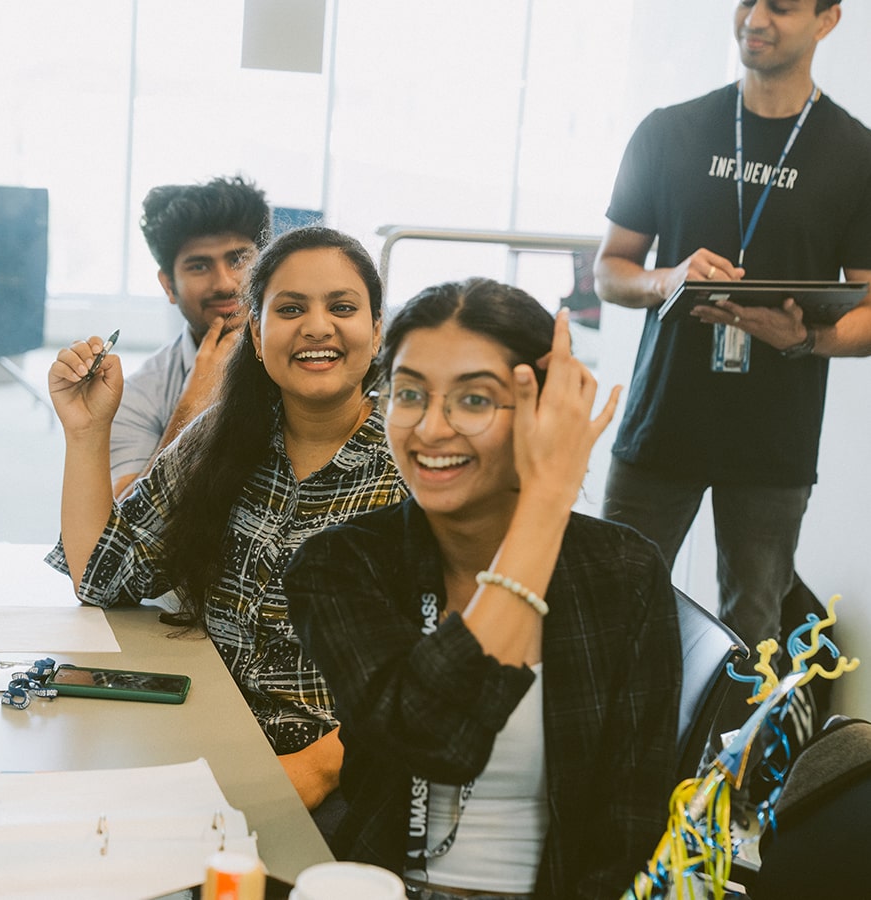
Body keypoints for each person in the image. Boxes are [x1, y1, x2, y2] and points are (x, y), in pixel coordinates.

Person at [284, 279, 682, 900]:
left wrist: (547, 501)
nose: (431, 428)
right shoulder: (343, 563)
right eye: (409, 393)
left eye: (474, 400)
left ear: (543, 412)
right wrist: (547, 502)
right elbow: (435, 736)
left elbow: (630, 827)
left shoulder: (624, 573)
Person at [45, 226, 407, 827]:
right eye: (290, 309)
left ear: (376, 332)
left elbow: (446, 665)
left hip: (347, 775)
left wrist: (317, 768)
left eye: (342, 307)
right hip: (208, 741)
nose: (317, 326)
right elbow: (102, 578)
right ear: (258, 337)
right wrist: (86, 432)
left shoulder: (414, 464)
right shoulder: (221, 439)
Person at [593, 1, 871, 680]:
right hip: (662, 424)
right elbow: (611, 270)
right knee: (607, 609)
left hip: (773, 440)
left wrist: (804, 339)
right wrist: (668, 281)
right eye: (746, 1)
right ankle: (602, 779)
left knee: (753, 636)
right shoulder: (669, 130)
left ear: (827, 20)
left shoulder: (857, 155)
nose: (755, 17)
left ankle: (730, 787)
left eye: (780, 5)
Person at [111, 174, 271, 499]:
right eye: (199, 266)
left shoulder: (314, 358)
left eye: (239, 260)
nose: (225, 283)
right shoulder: (140, 395)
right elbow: (124, 528)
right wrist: (192, 405)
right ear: (169, 285)